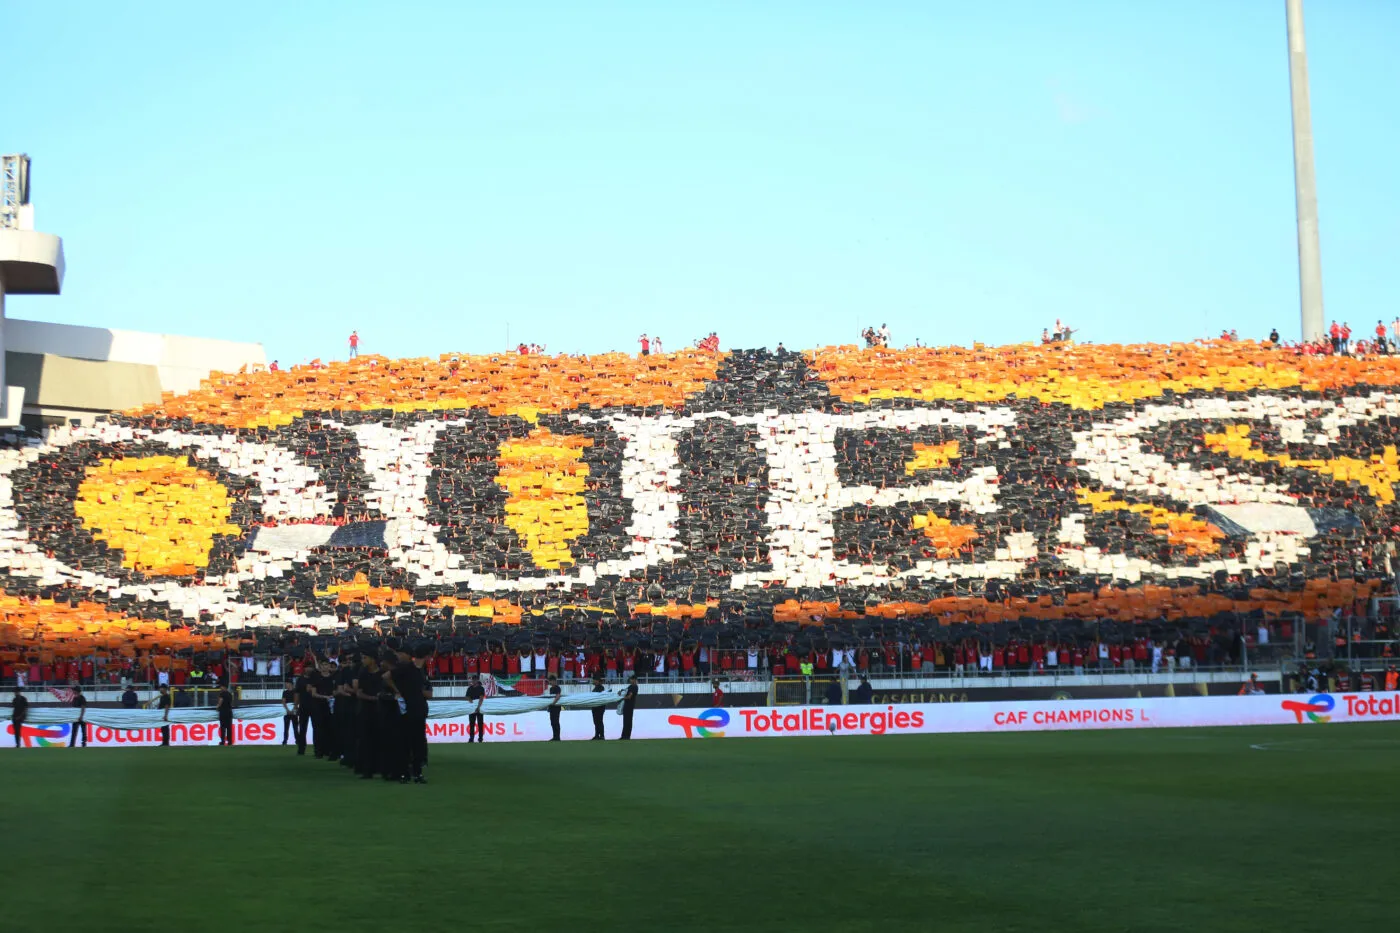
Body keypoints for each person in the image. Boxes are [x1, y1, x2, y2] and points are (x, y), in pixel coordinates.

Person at [395, 644, 432, 784]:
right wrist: (398, 692)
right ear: (427, 656)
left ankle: (413, 774)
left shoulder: (419, 670)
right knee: (409, 744)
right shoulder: (408, 668)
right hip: (410, 711)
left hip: (416, 711)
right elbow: (387, 677)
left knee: (416, 745)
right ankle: (409, 773)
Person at [353, 654, 383, 780]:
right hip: (365, 711)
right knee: (365, 741)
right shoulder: (363, 673)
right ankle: (367, 770)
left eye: (365, 658)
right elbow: (359, 693)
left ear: (373, 659)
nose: (363, 660)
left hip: (380, 712)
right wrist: (374, 698)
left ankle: (380, 768)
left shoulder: (382, 673)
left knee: (380, 741)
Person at [466, 673, 485, 743]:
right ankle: (471, 738)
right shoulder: (470, 688)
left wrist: (478, 707)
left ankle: (480, 739)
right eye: (473, 680)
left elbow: (481, 698)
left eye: (475, 680)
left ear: (477, 680)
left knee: (480, 724)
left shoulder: (481, 688)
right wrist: (470, 701)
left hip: (479, 708)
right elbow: (467, 696)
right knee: (471, 724)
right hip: (472, 708)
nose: (474, 681)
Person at [619, 675, 638, 740]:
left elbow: (629, 696)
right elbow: (625, 692)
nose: (630, 680)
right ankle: (624, 736)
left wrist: (621, 697)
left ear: (634, 680)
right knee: (626, 721)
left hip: (629, 705)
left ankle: (626, 736)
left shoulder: (634, 687)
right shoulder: (631, 686)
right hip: (627, 705)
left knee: (628, 721)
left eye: (631, 679)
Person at [590, 671, 607, 740]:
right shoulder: (597, 688)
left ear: (597, 681)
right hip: (595, 707)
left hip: (599, 707)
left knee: (599, 721)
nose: (593, 681)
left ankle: (601, 735)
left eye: (594, 680)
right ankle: (597, 735)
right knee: (596, 721)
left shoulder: (600, 687)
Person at [546, 674, 562, 741]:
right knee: (552, 722)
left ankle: (557, 737)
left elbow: (558, 696)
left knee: (556, 722)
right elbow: (550, 698)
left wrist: (553, 703)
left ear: (554, 681)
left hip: (556, 707)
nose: (550, 682)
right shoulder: (551, 688)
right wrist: (549, 706)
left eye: (551, 681)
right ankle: (554, 736)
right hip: (552, 707)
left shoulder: (557, 688)